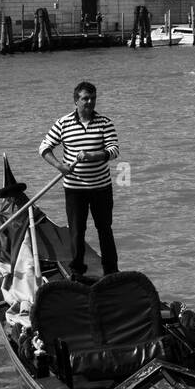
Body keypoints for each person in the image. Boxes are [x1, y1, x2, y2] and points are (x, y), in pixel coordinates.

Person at [39, 82, 120, 281]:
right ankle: (77, 272)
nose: (90, 102)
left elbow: (113, 151)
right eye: (85, 98)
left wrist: (93, 155)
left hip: (101, 187)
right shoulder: (63, 123)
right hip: (75, 189)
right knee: (77, 231)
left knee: (104, 228)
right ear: (76, 101)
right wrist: (59, 166)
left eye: (92, 98)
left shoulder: (104, 123)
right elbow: (43, 148)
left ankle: (111, 271)